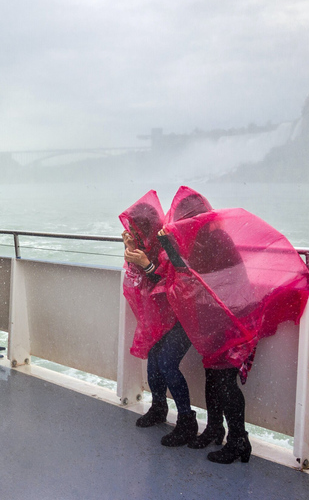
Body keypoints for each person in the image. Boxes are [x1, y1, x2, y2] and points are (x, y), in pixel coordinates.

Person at [159, 187, 309, 463]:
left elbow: (188, 273)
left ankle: (239, 441)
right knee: (213, 376)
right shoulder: (205, 238)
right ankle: (215, 429)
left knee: (224, 381)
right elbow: (190, 275)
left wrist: (170, 245)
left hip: (234, 320)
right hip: (219, 319)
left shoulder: (214, 241)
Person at [120, 190, 197, 447]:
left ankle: (187, 420)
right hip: (166, 315)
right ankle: (159, 408)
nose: (133, 233)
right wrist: (134, 255)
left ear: (146, 227)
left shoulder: (167, 244)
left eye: (135, 229)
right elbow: (140, 281)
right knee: (154, 360)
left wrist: (147, 265)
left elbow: (175, 285)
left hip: (186, 315)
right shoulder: (148, 246)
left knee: (165, 361)